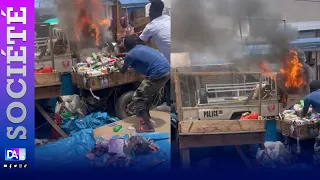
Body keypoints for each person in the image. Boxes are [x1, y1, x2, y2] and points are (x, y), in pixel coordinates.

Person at [114, 35, 170, 132]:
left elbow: (123, 71)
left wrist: (117, 64)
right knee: (147, 95)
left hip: (158, 73)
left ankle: (149, 127)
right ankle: (147, 118)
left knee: (138, 98)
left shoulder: (130, 55)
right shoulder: (143, 48)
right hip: (167, 70)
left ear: (125, 46)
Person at [138, 0, 171, 111]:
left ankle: (168, 103)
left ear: (151, 12)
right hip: (182, 52)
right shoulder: (167, 18)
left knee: (167, 77)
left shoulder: (151, 26)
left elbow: (139, 42)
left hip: (171, 58)